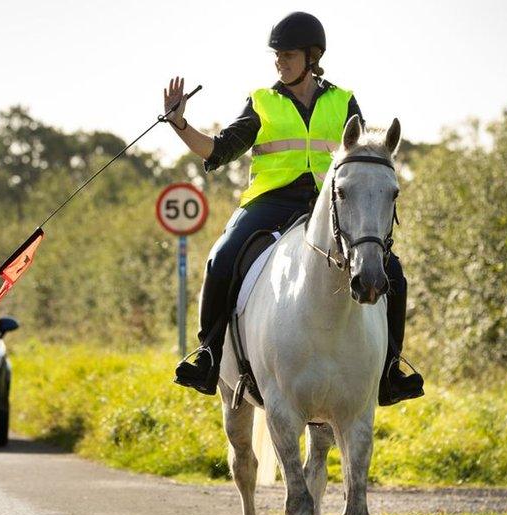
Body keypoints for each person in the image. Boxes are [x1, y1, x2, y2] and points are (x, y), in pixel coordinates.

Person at [165, 12, 424, 406]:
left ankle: (389, 372)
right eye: (277, 56)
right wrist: (180, 124)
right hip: (270, 202)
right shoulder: (262, 102)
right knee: (220, 258)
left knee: (394, 272)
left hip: (329, 205)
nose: (279, 62)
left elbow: (360, 156)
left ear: (312, 57)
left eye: (287, 55)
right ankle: (209, 355)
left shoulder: (342, 100)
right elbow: (217, 150)